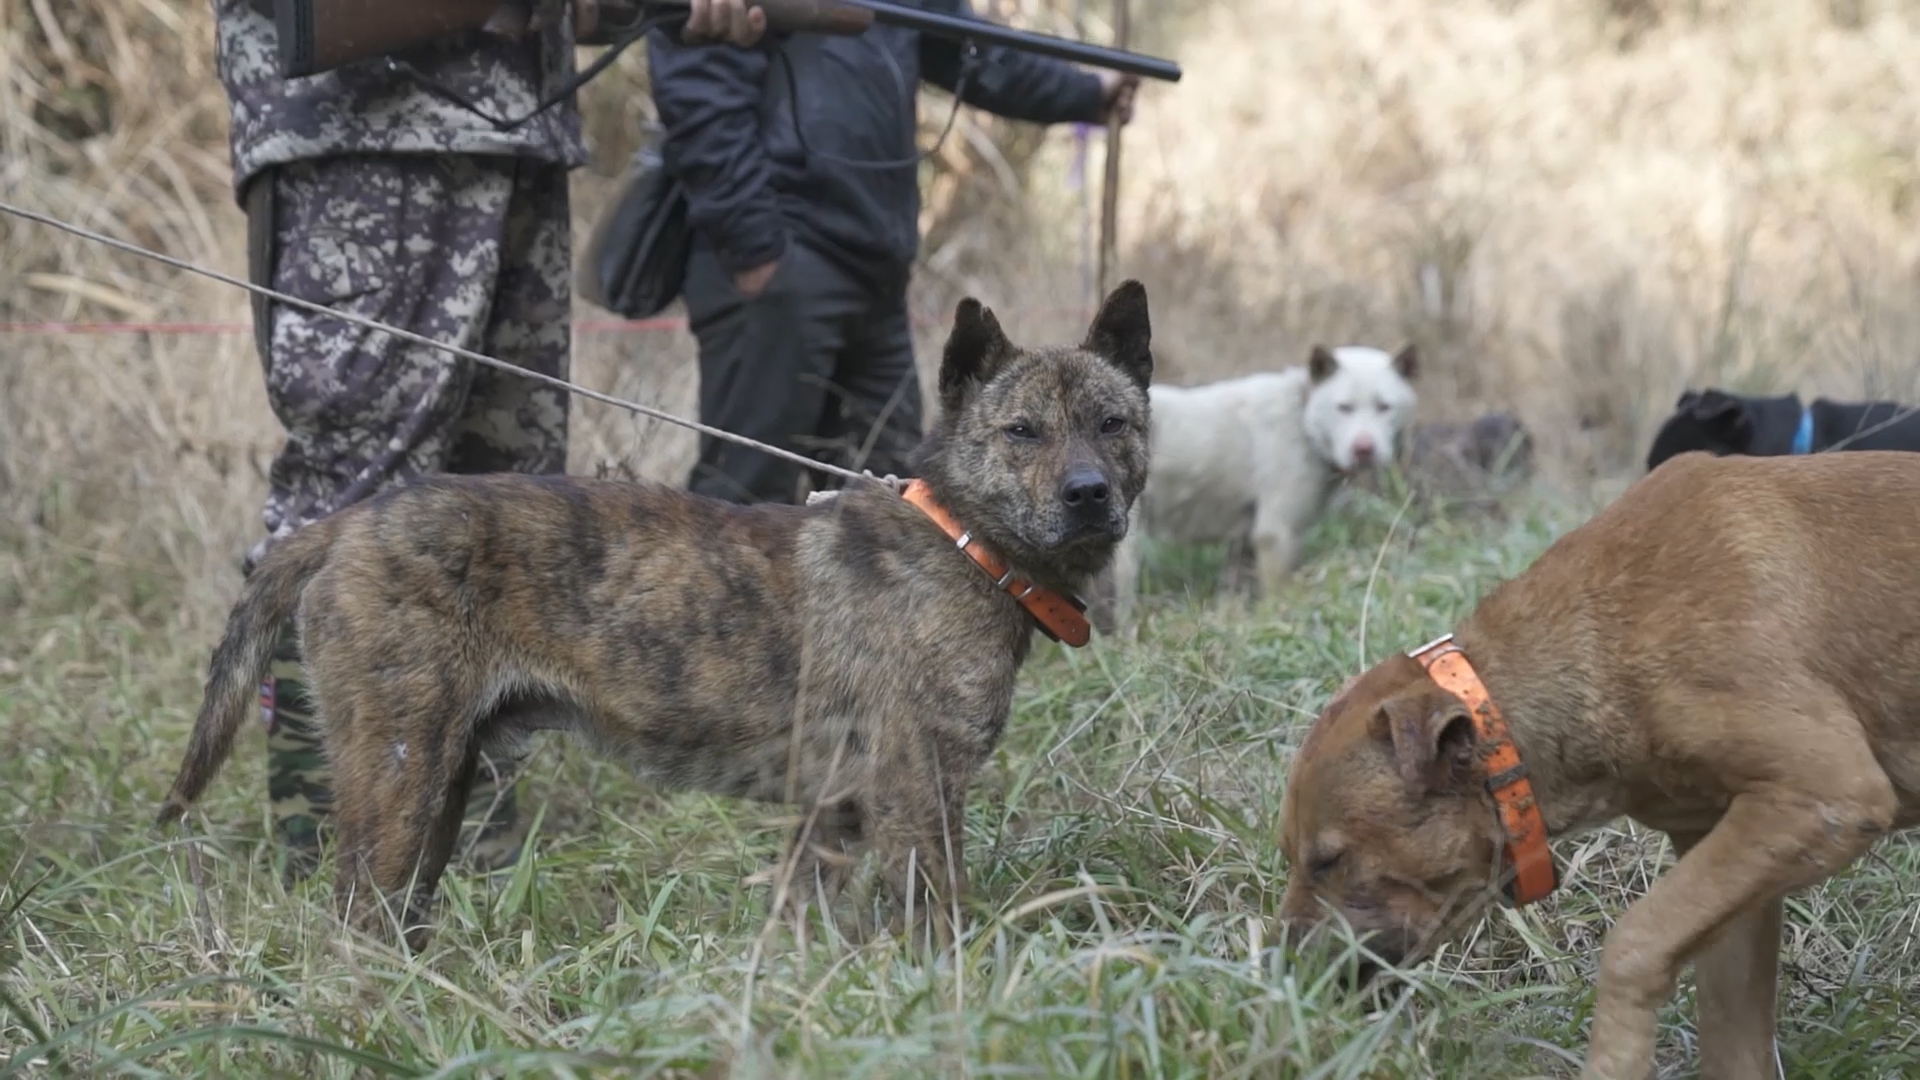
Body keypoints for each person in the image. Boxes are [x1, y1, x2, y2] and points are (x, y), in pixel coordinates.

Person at [212, 0, 771, 882]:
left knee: (509, 530)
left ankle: (466, 866)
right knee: (355, 506)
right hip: (366, 135)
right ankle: (330, 864)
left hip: (516, 133)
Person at [647, 0, 1140, 506]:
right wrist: (755, 250)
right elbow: (697, 86)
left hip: (875, 272)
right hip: (781, 263)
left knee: (891, 512)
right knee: (743, 505)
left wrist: (1088, 92)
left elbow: (969, 48)